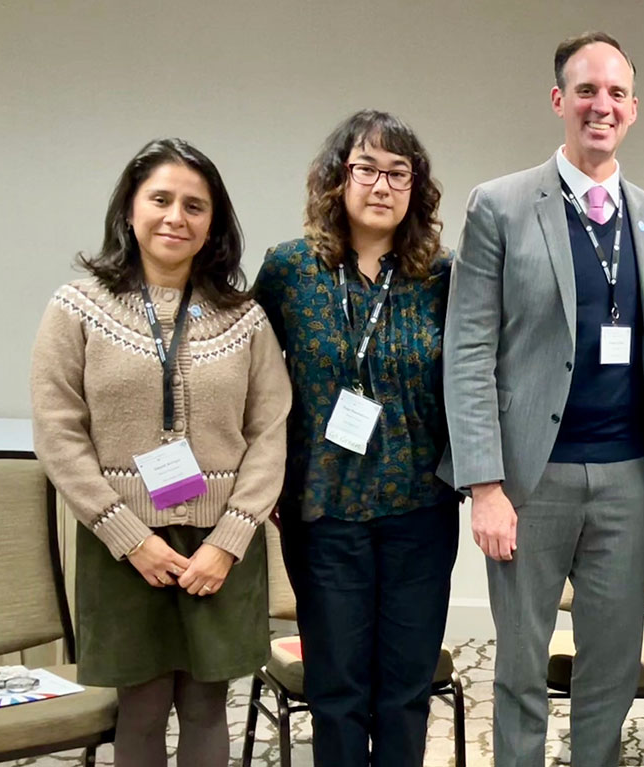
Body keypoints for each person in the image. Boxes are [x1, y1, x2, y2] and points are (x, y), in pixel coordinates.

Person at [438, 31, 644, 766]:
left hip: (630, 480)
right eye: (586, 91)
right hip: (526, 482)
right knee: (520, 668)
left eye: (615, 94)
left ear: (633, 109)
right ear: (559, 101)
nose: (600, 106)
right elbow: (468, 348)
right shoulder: (501, 205)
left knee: (612, 667)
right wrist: (485, 485)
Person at [30, 138, 290, 766]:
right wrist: (127, 535)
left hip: (221, 548)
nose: (177, 216)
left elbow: (272, 430)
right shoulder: (77, 308)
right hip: (121, 547)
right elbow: (58, 431)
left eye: (195, 206)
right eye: (161, 199)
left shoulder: (245, 319)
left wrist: (227, 542)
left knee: (206, 705)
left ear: (212, 226)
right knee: (141, 708)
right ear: (129, 210)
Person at [253, 109, 457, 767]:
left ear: (416, 188)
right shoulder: (289, 270)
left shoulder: (443, 275)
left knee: (405, 688)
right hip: (323, 508)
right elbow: (250, 378)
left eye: (399, 172)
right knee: (336, 688)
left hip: (420, 510)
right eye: (365, 167)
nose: (381, 184)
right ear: (338, 179)